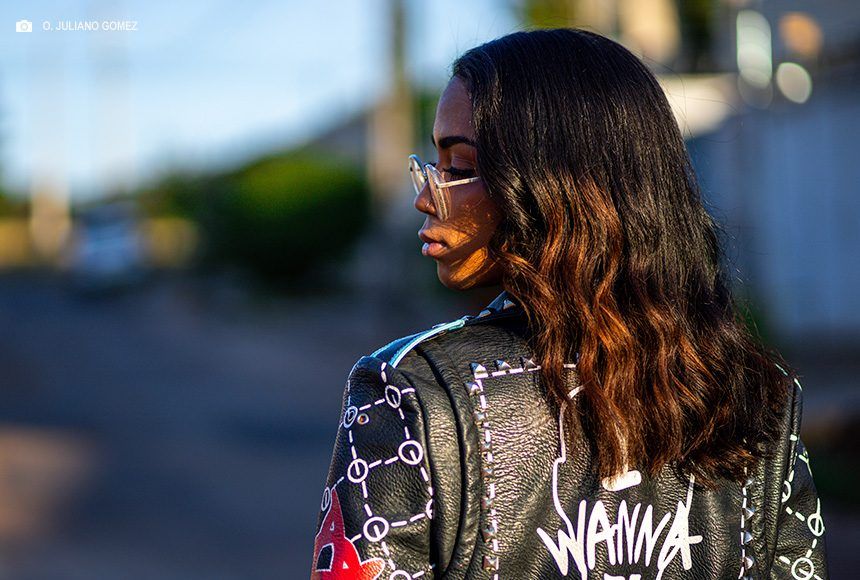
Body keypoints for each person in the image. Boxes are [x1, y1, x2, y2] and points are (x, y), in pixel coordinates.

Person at [310, 28, 828, 579]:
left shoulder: (410, 394)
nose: (424, 196)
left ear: (552, 184)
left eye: (458, 168)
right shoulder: (758, 393)